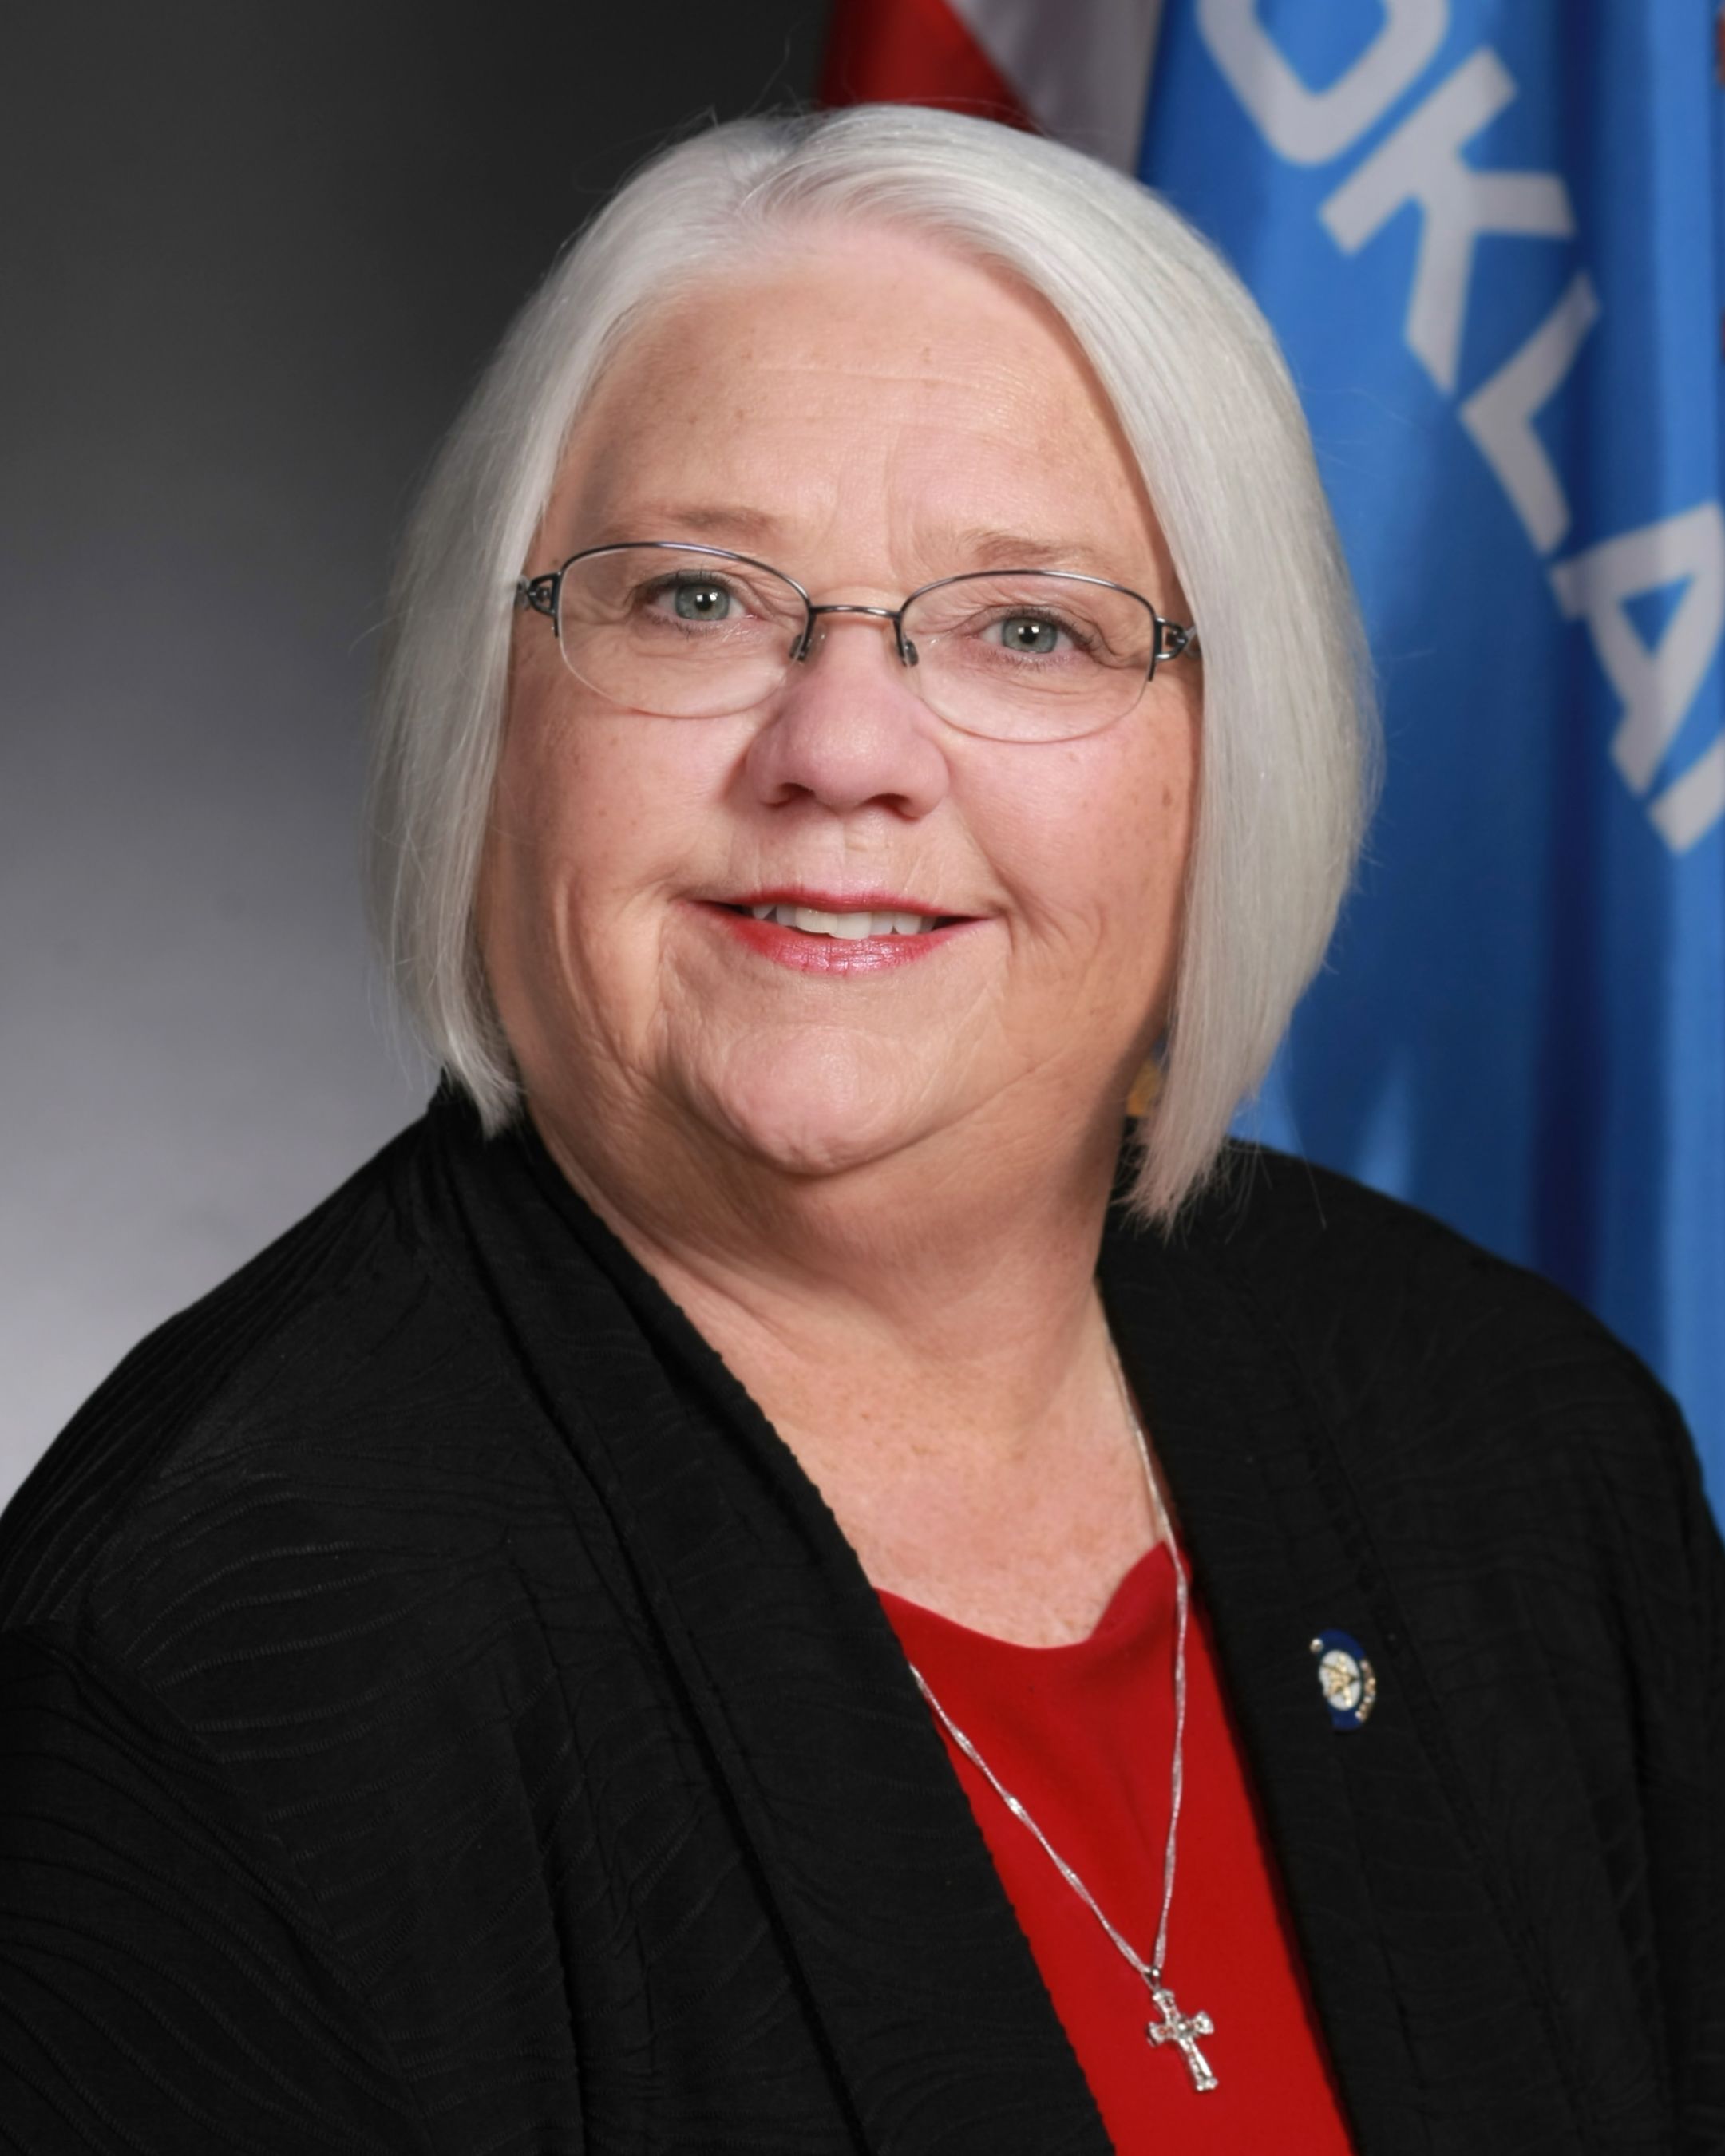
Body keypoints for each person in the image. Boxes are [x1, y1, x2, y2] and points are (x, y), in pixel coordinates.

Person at [1, 103, 1719, 2156]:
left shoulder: (1515, 1443)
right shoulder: (209, 1667)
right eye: (697, 598)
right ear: (497, 709)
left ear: (1228, 760)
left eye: (1027, 627)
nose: (837, 751)